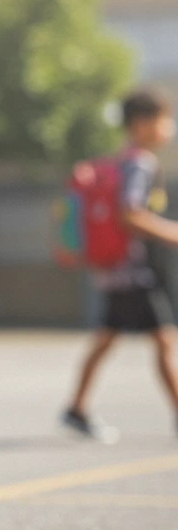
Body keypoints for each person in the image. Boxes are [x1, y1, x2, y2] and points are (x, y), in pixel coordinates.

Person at [65, 89, 178, 442]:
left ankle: (77, 408)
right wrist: (173, 234)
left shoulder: (120, 160)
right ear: (141, 123)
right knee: (163, 340)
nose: (168, 128)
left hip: (116, 272)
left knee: (106, 337)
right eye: (164, 120)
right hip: (136, 272)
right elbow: (130, 215)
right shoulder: (140, 163)